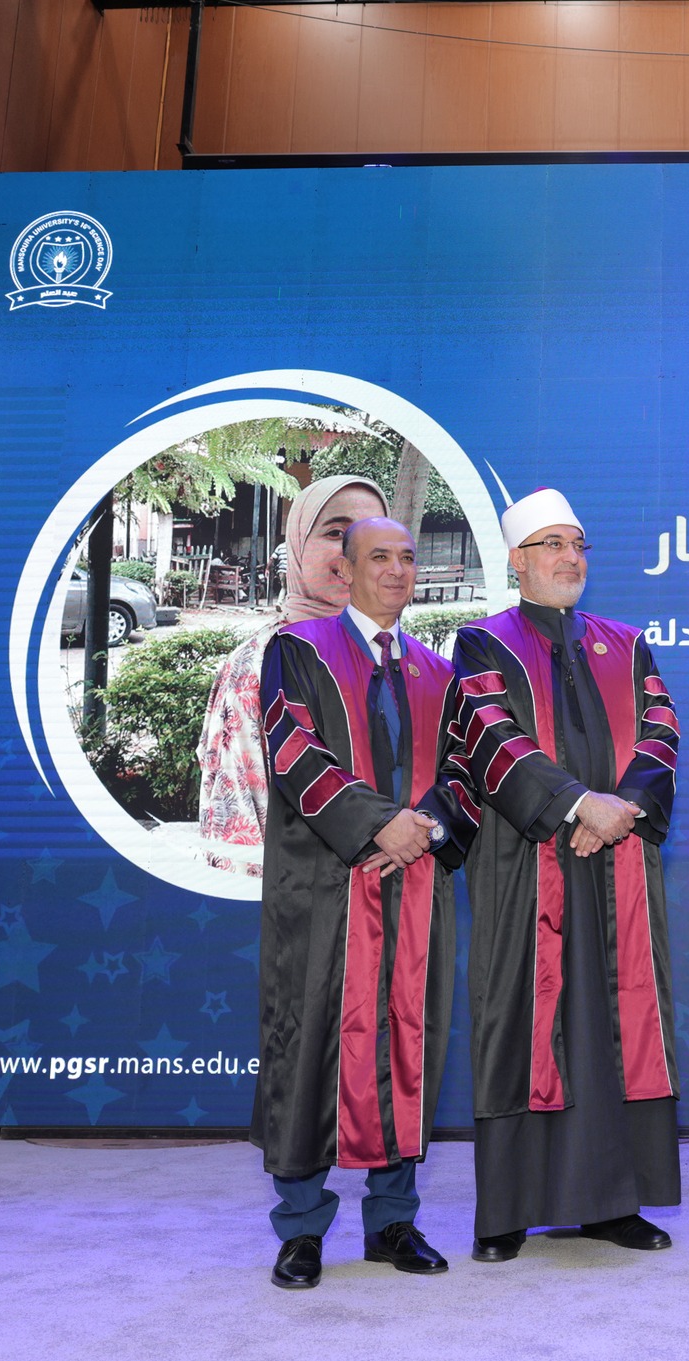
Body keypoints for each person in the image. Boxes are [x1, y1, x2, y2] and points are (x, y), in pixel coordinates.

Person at [427, 488, 682, 1262]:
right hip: (525, 861)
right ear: (517, 560)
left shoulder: (626, 645)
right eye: (553, 545)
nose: (571, 558)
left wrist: (621, 810)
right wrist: (577, 806)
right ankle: (507, 1213)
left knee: (615, 1026)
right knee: (520, 1025)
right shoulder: (483, 645)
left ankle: (613, 1204)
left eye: (578, 545)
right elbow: (490, 738)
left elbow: (662, 731)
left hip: (619, 859)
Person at [254, 516, 461, 1289]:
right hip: (325, 885)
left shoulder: (440, 674)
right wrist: (379, 824)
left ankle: (392, 1221)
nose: (398, 570)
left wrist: (424, 829)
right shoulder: (298, 652)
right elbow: (292, 750)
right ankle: (301, 1228)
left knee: (408, 1044)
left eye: (408, 558)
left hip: (414, 889)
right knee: (309, 1045)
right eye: (381, 557)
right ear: (345, 570)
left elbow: (464, 774)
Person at [199, 475, 389, 878]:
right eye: (336, 532)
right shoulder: (259, 665)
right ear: (299, 545)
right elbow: (238, 830)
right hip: (302, 899)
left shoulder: (403, 660)